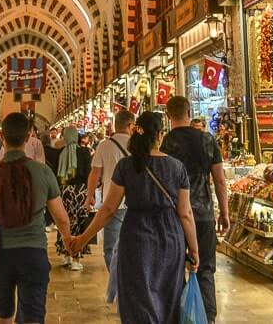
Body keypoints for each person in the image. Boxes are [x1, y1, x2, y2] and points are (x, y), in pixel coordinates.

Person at [72, 111, 199, 323]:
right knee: (169, 297)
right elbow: (185, 213)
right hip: (170, 239)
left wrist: (82, 239)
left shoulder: (126, 166)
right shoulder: (177, 168)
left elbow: (109, 208)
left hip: (136, 238)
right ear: (160, 135)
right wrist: (193, 249)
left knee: (138, 299)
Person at [0, 112, 74, 324]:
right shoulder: (43, 172)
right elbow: (61, 218)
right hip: (33, 253)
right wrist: (69, 242)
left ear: (2, 136)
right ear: (28, 137)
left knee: (3, 318)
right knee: (32, 319)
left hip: (1, 254)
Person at [161, 96, 229, 324]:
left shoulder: (167, 143)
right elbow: (220, 180)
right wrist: (225, 212)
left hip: (173, 216)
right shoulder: (207, 140)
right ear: (189, 112)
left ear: (169, 115)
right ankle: (207, 318)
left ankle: (177, 316)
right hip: (203, 214)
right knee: (206, 270)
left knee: (175, 268)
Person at [85, 109, 135, 269]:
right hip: (136, 204)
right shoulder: (137, 146)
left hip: (112, 204)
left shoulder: (104, 146)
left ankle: (117, 283)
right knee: (133, 247)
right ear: (130, 125)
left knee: (111, 249)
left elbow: (95, 174)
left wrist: (89, 196)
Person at [54, 127, 92, 271]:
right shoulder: (84, 152)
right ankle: (76, 257)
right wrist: (90, 194)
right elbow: (88, 173)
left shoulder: (61, 153)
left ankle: (66, 254)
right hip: (80, 191)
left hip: (65, 193)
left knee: (65, 223)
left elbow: (57, 175)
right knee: (79, 224)